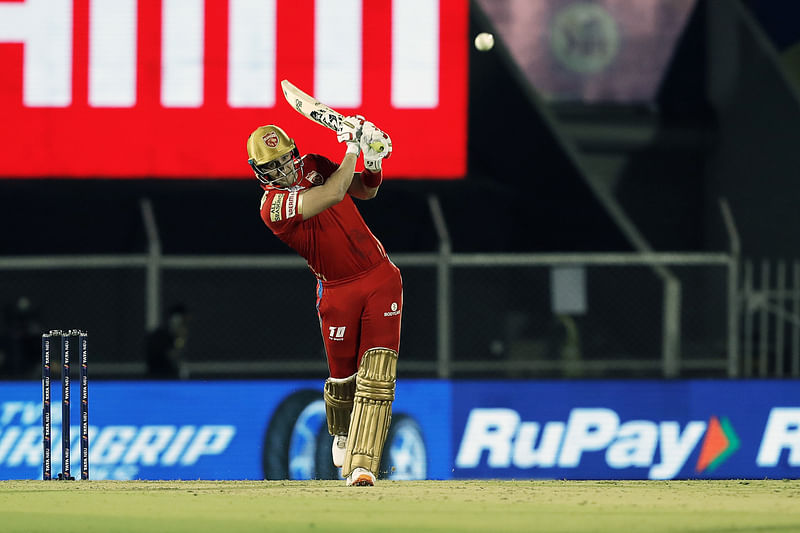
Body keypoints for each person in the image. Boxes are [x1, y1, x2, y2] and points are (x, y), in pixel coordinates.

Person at [246, 118, 401, 487]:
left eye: (285, 160)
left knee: (377, 375)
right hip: (336, 291)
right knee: (343, 379)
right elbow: (331, 194)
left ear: (295, 154)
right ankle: (343, 432)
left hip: (380, 277)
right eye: (272, 167)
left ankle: (362, 466)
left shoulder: (315, 164)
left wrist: (373, 160)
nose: (282, 170)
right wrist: (351, 146)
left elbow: (363, 190)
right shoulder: (273, 207)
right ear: (259, 173)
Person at [145, 304, 190, 379]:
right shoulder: (160, 336)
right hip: (160, 377)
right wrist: (181, 338)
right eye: (184, 320)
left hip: (168, 375)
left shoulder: (173, 336)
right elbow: (173, 356)